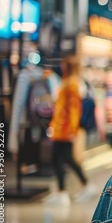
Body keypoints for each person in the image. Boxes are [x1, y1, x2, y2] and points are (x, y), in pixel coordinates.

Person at [43, 54, 96, 205]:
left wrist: (72, 130)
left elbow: (74, 110)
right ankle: (65, 191)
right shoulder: (68, 82)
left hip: (65, 130)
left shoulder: (71, 84)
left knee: (62, 159)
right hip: (61, 129)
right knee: (64, 159)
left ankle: (66, 191)